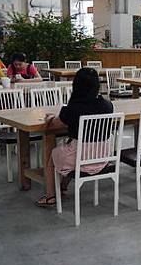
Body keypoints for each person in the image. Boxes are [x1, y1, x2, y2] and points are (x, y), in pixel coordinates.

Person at [35, 68, 114, 206]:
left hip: (80, 158)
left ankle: (50, 196)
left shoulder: (72, 108)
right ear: (97, 85)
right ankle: (63, 188)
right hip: (102, 157)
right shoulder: (107, 105)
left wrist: (51, 117)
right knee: (70, 151)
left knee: (52, 156)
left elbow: (55, 123)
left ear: (75, 85)